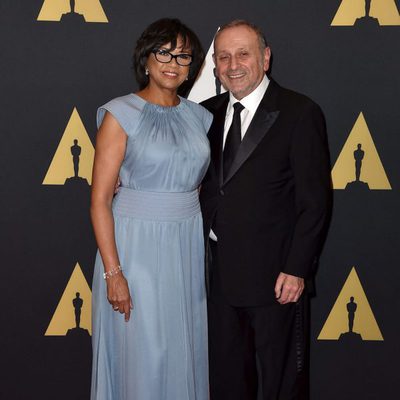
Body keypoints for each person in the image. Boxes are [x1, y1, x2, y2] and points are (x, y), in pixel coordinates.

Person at [199, 20, 332, 399]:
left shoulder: (298, 112)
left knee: (282, 384)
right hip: (218, 278)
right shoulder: (204, 114)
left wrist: (296, 268)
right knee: (226, 383)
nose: (233, 64)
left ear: (266, 58)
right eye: (223, 57)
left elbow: (315, 202)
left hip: (277, 279)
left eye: (243, 54)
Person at [90, 18, 212, 400]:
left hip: (185, 246)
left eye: (183, 55)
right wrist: (114, 273)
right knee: (144, 356)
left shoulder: (200, 117)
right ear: (146, 59)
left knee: (182, 350)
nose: (173, 62)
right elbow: (99, 201)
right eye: (164, 52)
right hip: (135, 248)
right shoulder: (120, 114)